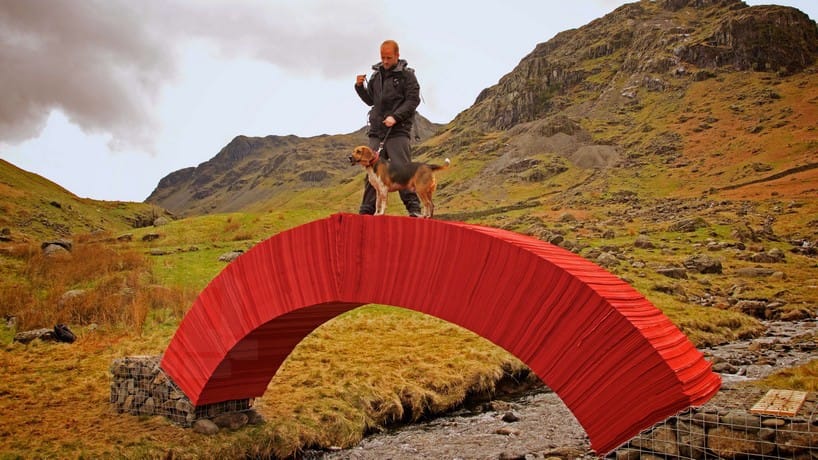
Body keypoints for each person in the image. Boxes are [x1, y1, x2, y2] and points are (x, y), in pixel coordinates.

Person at [354, 39, 422, 216]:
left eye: (388, 57)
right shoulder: (376, 76)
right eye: (382, 57)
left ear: (397, 55)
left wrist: (395, 117)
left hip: (398, 130)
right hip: (377, 131)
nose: (385, 61)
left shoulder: (407, 76)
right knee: (371, 170)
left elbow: (413, 100)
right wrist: (359, 87)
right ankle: (366, 211)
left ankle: (414, 210)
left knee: (402, 169)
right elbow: (371, 100)